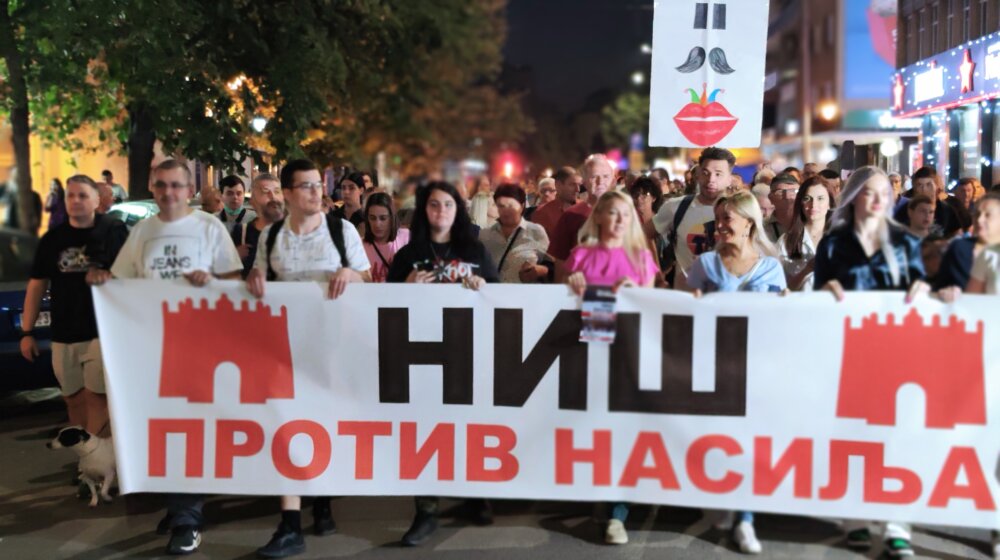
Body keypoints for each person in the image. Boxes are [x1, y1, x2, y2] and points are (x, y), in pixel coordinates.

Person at [102, 159, 243, 556]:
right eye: (161, 185)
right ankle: (179, 504)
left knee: (188, 430)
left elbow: (232, 283)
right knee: (162, 430)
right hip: (152, 348)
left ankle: (187, 517)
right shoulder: (143, 231)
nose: (168, 193)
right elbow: (122, 283)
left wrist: (210, 281)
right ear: (153, 185)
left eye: (177, 186)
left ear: (189, 188)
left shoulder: (208, 227)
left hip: (198, 347)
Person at [246, 159, 370, 559]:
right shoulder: (272, 237)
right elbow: (260, 282)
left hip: (333, 346)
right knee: (290, 427)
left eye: (319, 185)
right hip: (286, 347)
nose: (317, 192)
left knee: (324, 426)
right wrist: (255, 281)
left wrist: (349, 276)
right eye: (306, 187)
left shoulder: (341, 230)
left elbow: (365, 278)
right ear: (287, 194)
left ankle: (323, 501)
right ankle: (289, 525)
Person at [813, 166, 927, 559]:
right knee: (854, 439)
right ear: (853, 197)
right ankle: (855, 519)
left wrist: (923, 288)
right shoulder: (832, 244)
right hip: (848, 355)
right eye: (868, 192)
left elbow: (918, 291)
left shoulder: (906, 243)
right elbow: (814, 303)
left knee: (899, 441)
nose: (878, 199)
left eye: (884, 193)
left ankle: (898, 525)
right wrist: (826, 291)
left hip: (897, 356)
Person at [386, 181, 497, 546]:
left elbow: (501, 299)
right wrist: (405, 287)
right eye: (434, 205)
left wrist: (483, 286)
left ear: (458, 209)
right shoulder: (408, 254)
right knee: (426, 432)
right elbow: (383, 306)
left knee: (468, 428)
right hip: (421, 357)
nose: (441, 212)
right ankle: (426, 510)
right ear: (424, 210)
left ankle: (474, 495)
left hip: (467, 353)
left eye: (448, 205)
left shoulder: (476, 250)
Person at [686, 191, 785, 555]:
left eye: (728, 218)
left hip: (756, 368)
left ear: (748, 222)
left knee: (749, 440)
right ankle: (724, 501)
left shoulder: (771, 267)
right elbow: (681, 313)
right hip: (714, 366)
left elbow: (781, 318)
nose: (721, 226)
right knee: (720, 439)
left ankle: (745, 518)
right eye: (719, 218)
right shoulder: (705, 264)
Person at [21, 175, 128, 441]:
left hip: (101, 331)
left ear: (96, 200)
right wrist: (27, 332)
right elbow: (36, 285)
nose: (76, 201)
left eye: (82, 195)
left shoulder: (113, 231)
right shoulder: (52, 239)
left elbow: (132, 274)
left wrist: (109, 277)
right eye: (70, 195)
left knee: (97, 397)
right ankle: (85, 455)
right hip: (64, 332)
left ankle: (94, 461)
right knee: (73, 398)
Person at [646, 147, 736, 290]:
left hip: (724, 297)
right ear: (698, 174)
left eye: (718, 174)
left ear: (730, 179)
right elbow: (643, 235)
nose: (711, 180)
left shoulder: (740, 212)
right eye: (706, 173)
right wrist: (654, 270)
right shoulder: (675, 207)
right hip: (684, 297)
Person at [551, 155, 616, 282]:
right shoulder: (570, 216)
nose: (600, 181)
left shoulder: (627, 213)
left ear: (613, 181)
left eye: (605, 176)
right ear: (584, 182)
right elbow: (560, 265)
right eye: (593, 177)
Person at [478, 184, 549, 283]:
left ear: (522, 206)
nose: (506, 211)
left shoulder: (536, 232)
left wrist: (540, 270)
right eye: (501, 206)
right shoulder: (484, 235)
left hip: (524, 295)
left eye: (511, 205)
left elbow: (550, 265)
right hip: (493, 294)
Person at [778, 176, 834, 291]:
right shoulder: (786, 241)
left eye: (820, 198)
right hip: (799, 306)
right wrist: (807, 270)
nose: (813, 205)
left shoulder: (841, 239)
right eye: (807, 198)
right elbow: (780, 288)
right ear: (801, 203)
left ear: (829, 204)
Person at [936, 193, 1000, 291]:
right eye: (977, 214)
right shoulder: (959, 249)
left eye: (987, 215)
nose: (979, 220)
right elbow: (940, 286)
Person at [232, 173, 284, 279]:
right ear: (252, 200)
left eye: (277, 191)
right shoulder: (242, 232)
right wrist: (234, 258)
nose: (273, 196)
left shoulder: (296, 231)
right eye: (265, 192)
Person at [893, 166, 961, 237]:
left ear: (936, 186)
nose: (924, 189)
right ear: (914, 188)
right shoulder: (905, 210)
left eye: (928, 184)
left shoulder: (947, 210)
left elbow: (957, 235)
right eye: (919, 185)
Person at [362, 192, 410, 283]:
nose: (377, 224)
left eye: (383, 218)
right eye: (372, 218)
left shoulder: (406, 237)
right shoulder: (360, 246)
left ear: (391, 218)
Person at [530, 166, 583, 240]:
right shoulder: (542, 213)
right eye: (572, 185)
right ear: (558, 185)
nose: (578, 189)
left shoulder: (586, 208)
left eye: (579, 185)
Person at [764, 172, 799, 242]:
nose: (787, 197)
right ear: (770, 198)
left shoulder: (809, 222)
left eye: (793, 191)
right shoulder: (762, 227)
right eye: (780, 192)